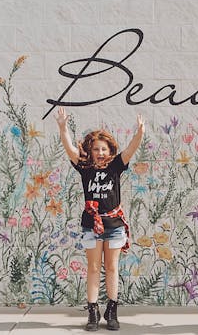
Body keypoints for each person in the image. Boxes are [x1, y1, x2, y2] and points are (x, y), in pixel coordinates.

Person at [56, 107, 144, 331]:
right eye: (96, 149)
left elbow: (131, 150)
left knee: (112, 268)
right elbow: (69, 149)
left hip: (114, 225)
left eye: (104, 149)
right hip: (91, 225)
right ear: (91, 151)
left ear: (110, 150)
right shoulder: (85, 168)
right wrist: (63, 128)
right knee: (94, 268)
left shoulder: (116, 166)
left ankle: (112, 311)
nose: (100, 152)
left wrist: (139, 133)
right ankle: (93, 312)